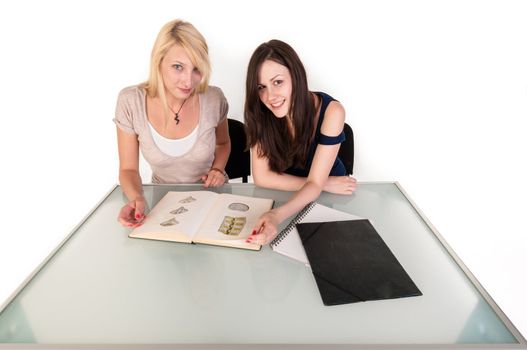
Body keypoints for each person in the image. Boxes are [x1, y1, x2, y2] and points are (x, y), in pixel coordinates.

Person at [114, 19, 230, 228]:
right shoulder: (131, 102)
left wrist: (218, 170)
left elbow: (223, 144)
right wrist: (137, 199)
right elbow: (129, 169)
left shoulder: (214, 98)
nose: (188, 81)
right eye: (178, 67)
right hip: (162, 202)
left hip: (213, 200)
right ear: (158, 62)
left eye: (196, 69)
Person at [244, 39, 357, 245]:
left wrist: (277, 215)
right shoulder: (259, 112)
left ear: (296, 76)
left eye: (278, 82)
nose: (270, 96)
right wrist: (326, 184)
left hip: (329, 199)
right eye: (261, 87)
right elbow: (262, 178)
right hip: (297, 192)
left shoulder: (332, 111)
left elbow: (315, 182)